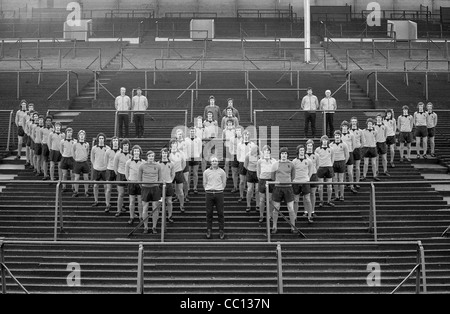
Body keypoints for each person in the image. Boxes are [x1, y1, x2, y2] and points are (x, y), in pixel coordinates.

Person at [271, 147, 297, 234]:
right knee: (276, 208)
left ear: (287, 155)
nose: (284, 155)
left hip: (288, 188)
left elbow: (293, 176)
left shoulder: (291, 164)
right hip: (278, 188)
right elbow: (272, 176)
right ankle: (274, 227)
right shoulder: (275, 164)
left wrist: (287, 181)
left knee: (290, 208)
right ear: (280, 155)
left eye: (285, 154)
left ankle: (293, 227)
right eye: (282, 153)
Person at [203, 154, 227, 240]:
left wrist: (219, 189)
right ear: (210, 162)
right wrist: (207, 189)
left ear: (218, 162)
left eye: (216, 161)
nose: (214, 162)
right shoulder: (206, 172)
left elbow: (224, 183)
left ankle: (221, 230)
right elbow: (204, 182)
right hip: (209, 193)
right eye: (213, 161)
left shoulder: (222, 172)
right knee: (209, 213)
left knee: (220, 213)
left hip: (219, 193)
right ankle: (209, 230)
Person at [138, 150, 162, 234]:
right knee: (145, 208)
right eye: (149, 156)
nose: (151, 158)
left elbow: (160, 178)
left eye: (152, 156)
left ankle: (154, 227)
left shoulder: (158, 166)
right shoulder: (142, 166)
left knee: (155, 208)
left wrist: (156, 185)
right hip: (145, 188)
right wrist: (144, 185)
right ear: (147, 157)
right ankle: (145, 227)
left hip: (155, 188)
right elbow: (139, 179)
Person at [292, 144, 314, 223]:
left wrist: (308, 177)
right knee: (296, 200)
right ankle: (294, 216)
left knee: (307, 199)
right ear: (298, 151)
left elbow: (311, 170)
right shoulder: (294, 161)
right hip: (296, 182)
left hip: (305, 182)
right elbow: (292, 171)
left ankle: (310, 216)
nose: (302, 151)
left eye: (303, 150)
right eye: (300, 150)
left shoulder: (308, 161)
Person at [125, 145, 144, 225]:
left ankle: (140, 217)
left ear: (140, 152)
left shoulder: (143, 162)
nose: (136, 153)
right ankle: (131, 217)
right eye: (135, 151)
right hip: (132, 183)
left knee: (140, 201)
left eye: (138, 151)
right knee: (132, 201)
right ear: (132, 152)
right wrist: (129, 180)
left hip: (140, 183)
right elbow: (126, 173)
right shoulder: (128, 162)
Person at [257, 145, 276, 223]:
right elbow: (258, 171)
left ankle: (270, 215)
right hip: (262, 180)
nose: (267, 152)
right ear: (263, 152)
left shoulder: (274, 161)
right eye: (265, 151)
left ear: (270, 152)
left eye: (268, 151)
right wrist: (261, 178)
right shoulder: (260, 161)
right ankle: (261, 215)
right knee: (262, 199)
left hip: (271, 180)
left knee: (270, 199)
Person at [113, 138, 132, 217]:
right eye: (124, 145)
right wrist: (118, 174)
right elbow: (115, 166)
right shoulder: (118, 154)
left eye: (127, 145)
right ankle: (118, 210)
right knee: (121, 194)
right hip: (120, 174)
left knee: (131, 194)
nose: (125, 147)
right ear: (122, 146)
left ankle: (132, 211)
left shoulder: (131, 154)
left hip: (129, 175)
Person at [315, 135, 335, 208]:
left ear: (328, 141)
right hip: (320, 167)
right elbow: (315, 159)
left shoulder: (331, 149)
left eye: (326, 140)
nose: (324, 141)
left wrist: (330, 165)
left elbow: (333, 158)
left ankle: (329, 200)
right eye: (323, 140)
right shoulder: (317, 150)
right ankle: (321, 200)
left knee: (329, 185)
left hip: (329, 167)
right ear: (321, 141)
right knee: (320, 186)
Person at [91, 133, 110, 208]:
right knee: (95, 186)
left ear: (104, 139)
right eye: (100, 138)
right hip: (97, 169)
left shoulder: (108, 148)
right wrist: (95, 165)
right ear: (97, 139)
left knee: (106, 186)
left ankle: (107, 202)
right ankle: (96, 200)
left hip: (105, 169)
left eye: (102, 138)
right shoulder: (94, 148)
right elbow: (92, 158)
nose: (101, 140)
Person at [237, 130, 256, 203]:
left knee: (251, 181)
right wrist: (242, 161)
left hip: (250, 164)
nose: (246, 136)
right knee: (242, 181)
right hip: (242, 163)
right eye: (245, 135)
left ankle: (251, 196)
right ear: (243, 136)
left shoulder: (253, 145)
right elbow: (238, 155)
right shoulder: (239, 145)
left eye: (248, 135)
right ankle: (241, 196)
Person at [330, 130, 349, 201]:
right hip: (334, 163)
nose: (337, 137)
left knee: (341, 180)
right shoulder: (331, 145)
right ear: (334, 136)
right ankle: (336, 195)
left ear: (340, 136)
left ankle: (342, 195)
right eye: (336, 135)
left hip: (341, 162)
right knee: (335, 180)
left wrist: (344, 162)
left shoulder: (344, 144)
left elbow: (347, 155)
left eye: (338, 135)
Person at [340, 121, 358, 194]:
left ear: (348, 127)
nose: (344, 127)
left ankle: (351, 186)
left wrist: (350, 151)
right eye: (343, 126)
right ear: (341, 127)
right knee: (342, 171)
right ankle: (343, 185)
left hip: (350, 153)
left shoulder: (351, 135)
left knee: (350, 171)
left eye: (346, 126)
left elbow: (354, 145)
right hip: (341, 154)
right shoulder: (339, 135)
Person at [159, 148, 176, 224]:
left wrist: (170, 181)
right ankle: (160, 215)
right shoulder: (158, 163)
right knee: (160, 201)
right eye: (163, 153)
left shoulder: (171, 163)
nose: (164, 154)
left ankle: (170, 216)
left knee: (169, 201)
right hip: (160, 184)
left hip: (168, 184)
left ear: (167, 154)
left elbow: (173, 174)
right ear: (161, 154)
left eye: (166, 153)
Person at [169, 139, 186, 213]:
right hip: (170, 173)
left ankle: (182, 205)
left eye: (175, 143)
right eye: (172, 143)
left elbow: (184, 163)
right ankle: (168, 206)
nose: (174, 144)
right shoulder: (168, 153)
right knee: (169, 190)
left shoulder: (181, 153)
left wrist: (180, 169)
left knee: (180, 190)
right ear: (171, 145)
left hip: (179, 172)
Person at [72, 130, 90, 197]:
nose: (82, 136)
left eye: (83, 134)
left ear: (85, 136)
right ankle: (76, 191)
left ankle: (86, 191)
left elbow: (88, 152)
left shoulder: (87, 144)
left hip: (85, 162)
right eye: (80, 134)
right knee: (77, 178)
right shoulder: (75, 144)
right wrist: (76, 158)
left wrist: (84, 157)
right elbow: (73, 152)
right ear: (78, 136)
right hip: (77, 162)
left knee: (86, 177)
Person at [104, 136, 120, 213]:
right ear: (112, 142)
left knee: (119, 190)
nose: (115, 142)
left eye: (117, 140)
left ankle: (120, 205)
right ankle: (107, 204)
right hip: (110, 170)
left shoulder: (121, 151)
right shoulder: (108, 151)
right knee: (108, 189)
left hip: (118, 171)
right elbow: (106, 161)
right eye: (114, 140)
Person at [185, 127, 203, 195]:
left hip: (195, 157)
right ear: (189, 132)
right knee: (188, 173)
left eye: (193, 131)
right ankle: (188, 187)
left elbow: (200, 149)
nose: (192, 132)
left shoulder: (198, 139)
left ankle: (195, 187)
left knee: (195, 173)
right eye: (191, 131)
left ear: (195, 132)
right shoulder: (186, 139)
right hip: (188, 158)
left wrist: (198, 156)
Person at [244, 144, 260, 213]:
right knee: (249, 189)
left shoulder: (260, 155)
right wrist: (250, 169)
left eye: (255, 150)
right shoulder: (248, 155)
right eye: (252, 149)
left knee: (257, 189)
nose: (254, 151)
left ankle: (258, 205)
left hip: (257, 173)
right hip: (250, 172)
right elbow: (245, 165)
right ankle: (248, 205)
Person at [305, 139, 319, 217]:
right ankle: (306, 211)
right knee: (305, 194)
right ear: (306, 146)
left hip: (313, 175)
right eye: (308, 145)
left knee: (313, 193)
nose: (309, 147)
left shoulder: (316, 155)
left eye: (311, 145)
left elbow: (317, 165)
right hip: (305, 175)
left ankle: (312, 210)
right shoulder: (304, 154)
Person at [60, 127, 75, 192]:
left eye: (70, 132)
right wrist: (64, 154)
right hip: (65, 158)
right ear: (66, 133)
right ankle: (64, 187)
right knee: (64, 174)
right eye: (68, 132)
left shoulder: (75, 141)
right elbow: (61, 150)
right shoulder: (62, 141)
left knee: (72, 174)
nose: (69, 133)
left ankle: (73, 187)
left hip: (72, 158)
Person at [350, 117, 363, 189]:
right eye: (352, 121)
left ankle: (357, 182)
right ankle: (350, 183)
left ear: (357, 122)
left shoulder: (360, 131)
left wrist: (360, 147)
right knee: (350, 168)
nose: (354, 122)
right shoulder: (348, 131)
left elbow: (363, 141)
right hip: (351, 150)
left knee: (357, 168)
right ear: (351, 122)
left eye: (355, 121)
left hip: (357, 150)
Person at [40, 115, 54, 180]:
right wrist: (43, 143)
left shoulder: (53, 129)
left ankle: (52, 176)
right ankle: (45, 174)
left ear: (51, 122)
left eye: (49, 121)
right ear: (45, 122)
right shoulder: (42, 129)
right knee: (45, 160)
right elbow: (40, 137)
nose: (48, 122)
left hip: (51, 146)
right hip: (45, 145)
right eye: (47, 121)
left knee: (51, 161)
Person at [23, 103, 35, 169]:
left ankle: (32, 162)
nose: (30, 108)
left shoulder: (35, 114)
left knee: (32, 149)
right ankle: (28, 160)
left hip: (32, 135)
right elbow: (23, 124)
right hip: (27, 134)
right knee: (27, 148)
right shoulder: (25, 116)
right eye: (29, 106)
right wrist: (26, 132)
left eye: (32, 107)